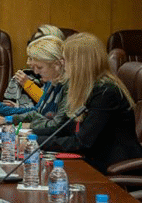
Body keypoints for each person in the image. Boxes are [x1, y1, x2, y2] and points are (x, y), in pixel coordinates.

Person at [35, 33, 142, 174]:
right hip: (93, 160)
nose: (62, 65)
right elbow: (64, 128)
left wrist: (36, 142)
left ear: (79, 63)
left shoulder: (106, 92)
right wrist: (31, 135)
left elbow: (82, 143)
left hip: (114, 168)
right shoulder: (85, 88)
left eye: (65, 60)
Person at [0, 36, 68, 130]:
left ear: (57, 64)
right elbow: (37, 112)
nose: (36, 72)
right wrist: (6, 120)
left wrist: (28, 126)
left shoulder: (69, 86)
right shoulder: (52, 81)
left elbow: (57, 125)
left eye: (39, 67)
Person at [3, 24, 65, 107]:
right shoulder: (28, 75)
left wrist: (28, 85)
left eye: (42, 42)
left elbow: (49, 107)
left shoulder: (65, 79)